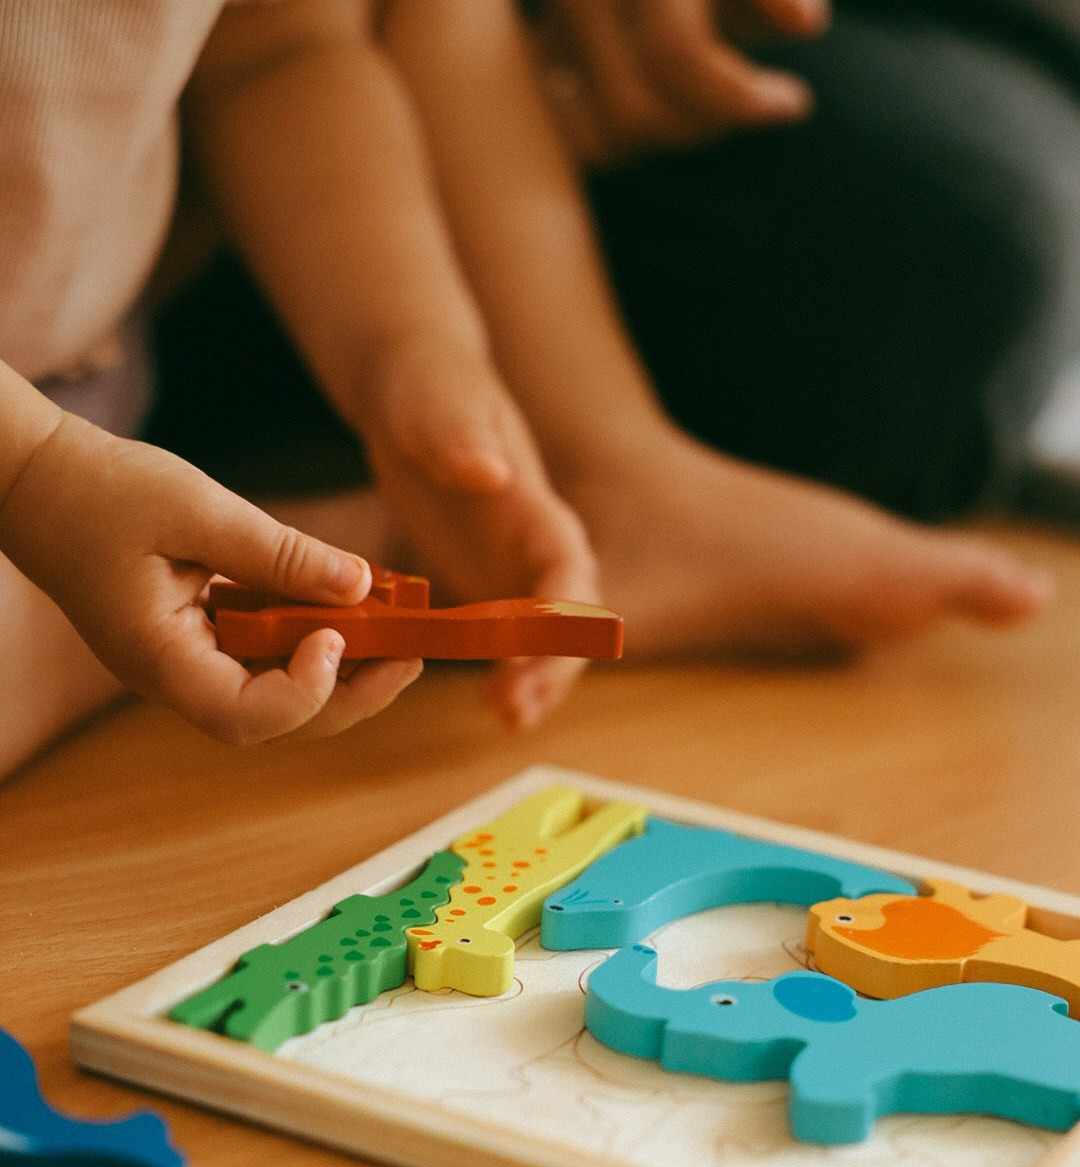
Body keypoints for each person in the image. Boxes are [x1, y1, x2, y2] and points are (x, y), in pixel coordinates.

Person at [0, 0, 1055, 785]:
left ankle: (243, 560)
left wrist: (412, 351)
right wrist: (34, 472)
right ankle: (156, 605)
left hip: (87, 377)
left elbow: (282, 47)